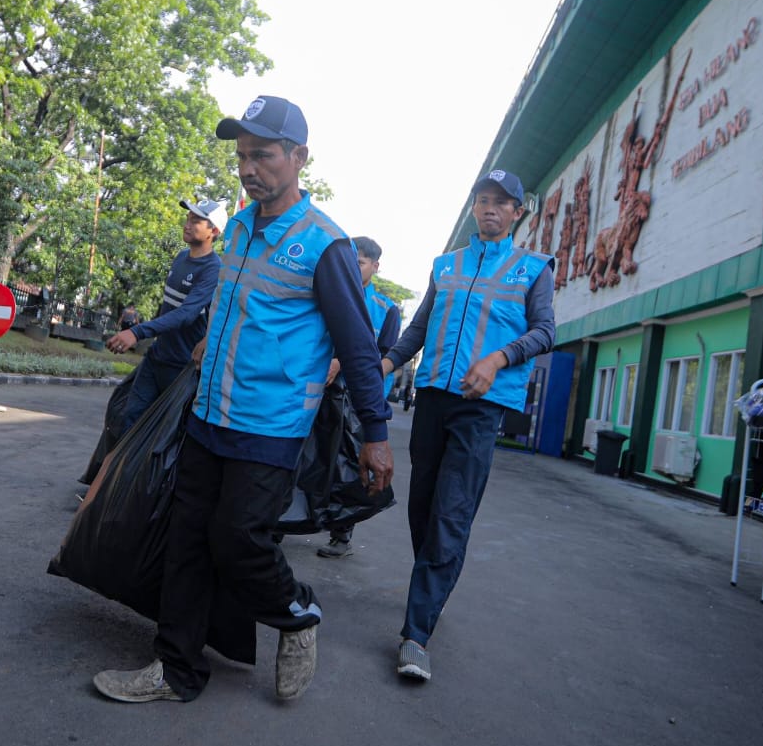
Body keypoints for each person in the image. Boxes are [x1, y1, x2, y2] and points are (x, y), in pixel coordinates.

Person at [92, 95, 394, 704]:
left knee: (239, 541)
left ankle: (296, 613)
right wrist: (207, 343)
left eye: (263, 155)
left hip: (272, 424)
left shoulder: (323, 244)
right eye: (241, 157)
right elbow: (234, 307)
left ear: (299, 157)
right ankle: (175, 669)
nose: (249, 168)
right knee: (188, 539)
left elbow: (358, 347)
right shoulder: (237, 225)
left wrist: (378, 434)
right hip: (208, 413)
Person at [380, 169, 555, 681]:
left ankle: (416, 634)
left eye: (502, 202)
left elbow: (545, 331)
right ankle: (431, 589)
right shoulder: (446, 265)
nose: (490, 209)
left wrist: (498, 359)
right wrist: (385, 366)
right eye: (483, 200)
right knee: (422, 508)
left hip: (482, 406)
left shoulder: (532, 268)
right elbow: (419, 327)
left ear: (518, 213)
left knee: (452, 512)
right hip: (434, 395)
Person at [103, 198, 225, 433]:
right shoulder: (181, 258)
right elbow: (168, 308)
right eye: (188, 218)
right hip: (156, 358)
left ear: (214, 231)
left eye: (197, 220)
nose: (188, 224)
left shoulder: (213, 269)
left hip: (181, 368)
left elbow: (186, 314)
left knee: (165, 435)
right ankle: (120, 470)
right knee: (128, 421)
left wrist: (137, 332)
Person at [316, 235, 400, 559]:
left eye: (361, 262)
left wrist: (344, 365)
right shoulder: (327, 292)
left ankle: (342, 533)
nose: (354, 267)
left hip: (357, 399)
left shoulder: (385, 309)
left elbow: (384, 357)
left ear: (375, 267)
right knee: (311, 456)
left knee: (351, 464)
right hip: (321, 389)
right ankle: (287, 520)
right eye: (351, 260)